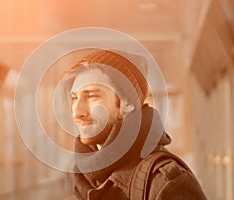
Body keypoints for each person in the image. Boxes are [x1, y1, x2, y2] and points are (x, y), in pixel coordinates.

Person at [58, 49, 207, 200]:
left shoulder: (167, 182)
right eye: (74, 98)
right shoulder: (81, 178)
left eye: (92, 96)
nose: (77, 112)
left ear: (126, 104)